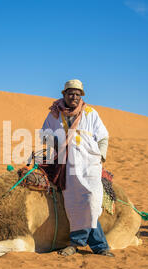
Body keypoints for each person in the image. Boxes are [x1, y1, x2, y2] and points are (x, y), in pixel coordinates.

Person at [40, 79, 114, 257]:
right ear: (64, 94)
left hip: (90, 164)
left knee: (91, 200)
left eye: (77, 94)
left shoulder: (90, 113)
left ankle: (79, 244)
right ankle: (98, 246)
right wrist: (56, 151)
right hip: (67, 164)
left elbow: (103, 136)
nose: (74, 97)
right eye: (70, 93)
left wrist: (101, 156)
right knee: (73, 203)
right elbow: (45, 135)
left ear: (81, 96)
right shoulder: (54, 115)